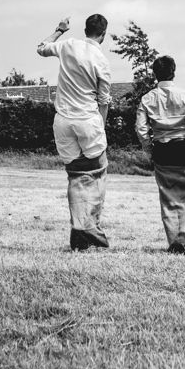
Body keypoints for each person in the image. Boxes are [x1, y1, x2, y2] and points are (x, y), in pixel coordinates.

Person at [37, 15, 111, 251]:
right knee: (98, 172)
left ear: (85, 29)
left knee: (75, 176)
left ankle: (78, 233)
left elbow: (41, 48)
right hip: (88, 119)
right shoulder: (101, 60)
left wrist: (59, 30)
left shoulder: (68, 45)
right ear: (103, 34)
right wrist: (102, 125)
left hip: (63, 121)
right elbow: (104, 100)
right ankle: (90, 226)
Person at [135, 55, 185, 255]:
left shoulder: (147, 98)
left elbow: (141, 129)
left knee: (168, 197)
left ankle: (175, 240)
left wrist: (150, 151)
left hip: (162, 150)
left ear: (155, 74)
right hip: (184, 148)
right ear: (173, 71)